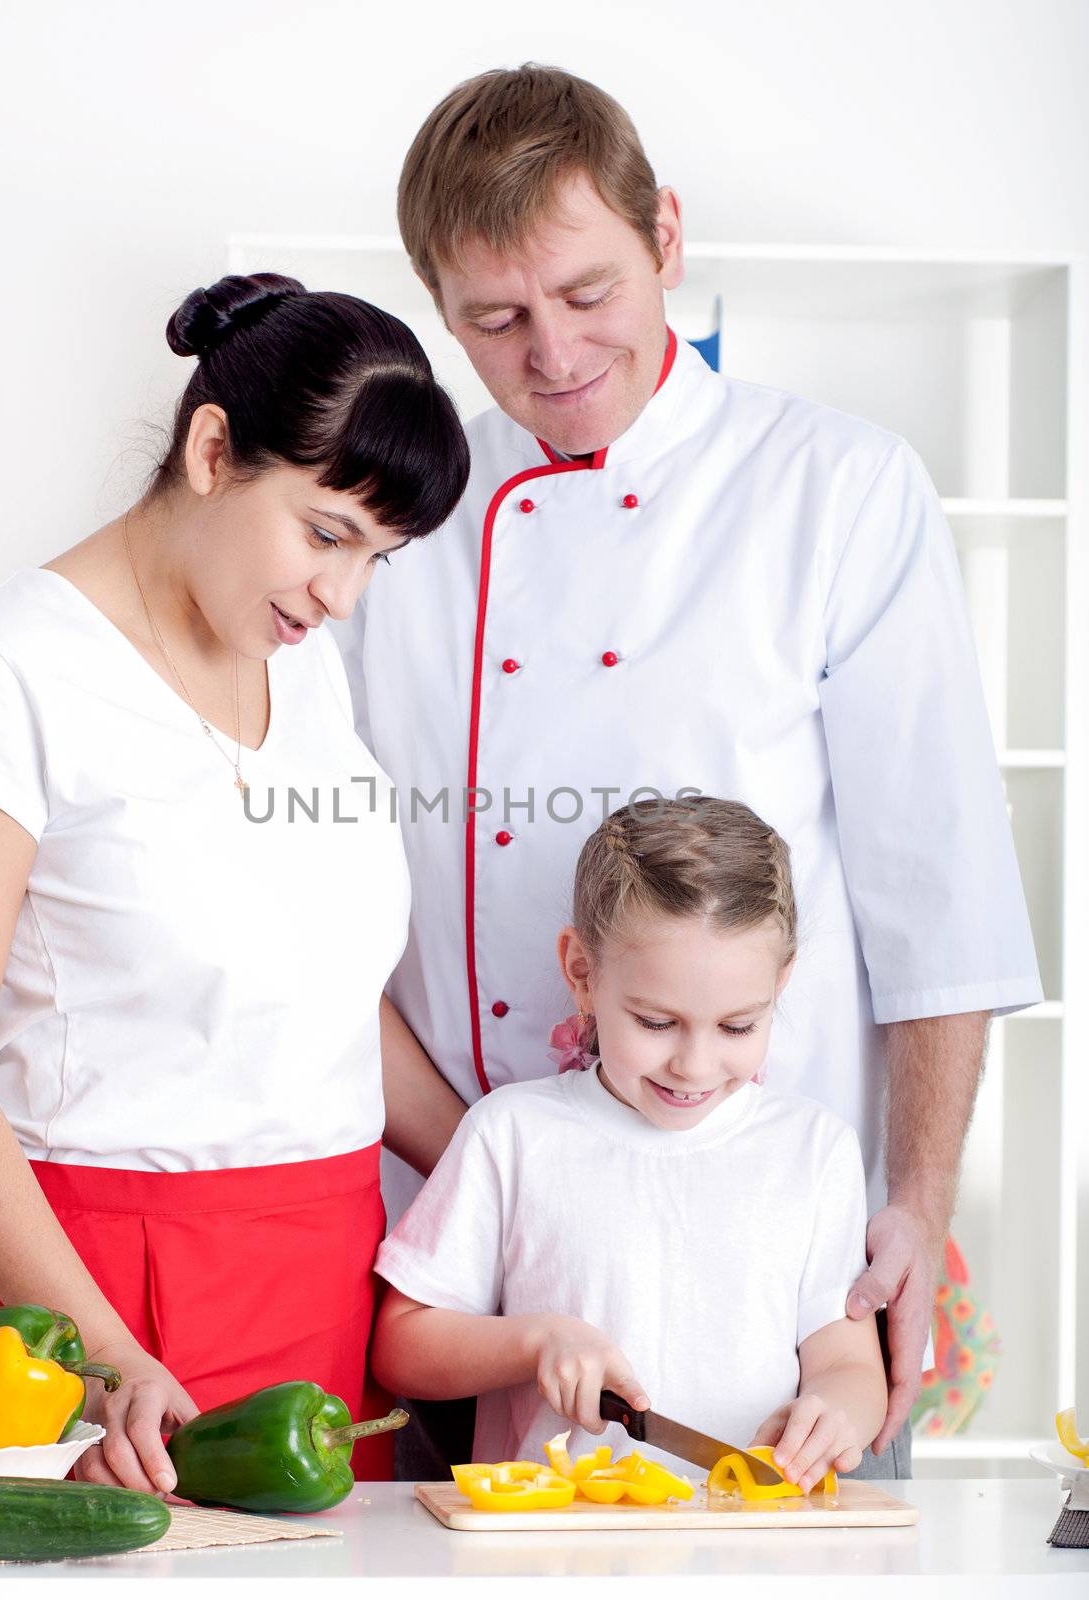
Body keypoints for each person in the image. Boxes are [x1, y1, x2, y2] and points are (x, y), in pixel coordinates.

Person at [332, 64, 1042, 1478]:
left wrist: (908, 1205)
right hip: (471, 1278)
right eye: (493, 319)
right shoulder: (394, 527)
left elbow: (936, 893)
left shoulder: (833, 487)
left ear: (664, 234)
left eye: (586, 291)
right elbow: (324, 911)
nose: (549, 353)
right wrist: (507, 1160)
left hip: (777, 1277)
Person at [0, 272, 470, 1492]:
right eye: (325, 532)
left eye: (378, 559)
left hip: (329, 1280)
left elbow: (327, 989)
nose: (340, 595)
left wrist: (506, 1171)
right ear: (210, 449)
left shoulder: (300, 666)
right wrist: (101, 1351)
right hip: (97, 1302)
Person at [372, 796, 889, 1489]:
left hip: (750, 1546)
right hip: (550, 1547)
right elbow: (401, 1346)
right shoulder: (513, 1134)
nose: (694, 1065)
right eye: (654, 1021)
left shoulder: (812, 1149)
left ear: (781, 984)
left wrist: (834, 1412)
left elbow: (848, 1363)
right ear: (581, 973)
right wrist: (536, 1340)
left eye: (737, 1026)